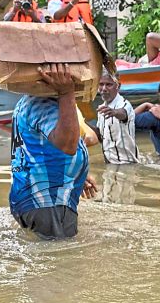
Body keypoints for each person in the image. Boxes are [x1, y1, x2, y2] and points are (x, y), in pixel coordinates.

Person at [9, 63, 99, 239]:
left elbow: (38, 150)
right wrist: (66, 92)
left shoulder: (29, 102)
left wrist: (74, 175)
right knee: (63, 255)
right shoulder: (42, 103)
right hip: (47, 203)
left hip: (36, 200)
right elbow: (68, 144)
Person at [94, 71, 141, 165]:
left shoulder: (125, 104)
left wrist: (114, 112)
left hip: (127, 164)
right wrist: (82, 124)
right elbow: (100, 136)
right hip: (110, 163)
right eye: (101, 84)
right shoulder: (102, 108)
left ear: (118, 86)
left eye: (108, 85)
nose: (104, 89)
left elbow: (123, 114)